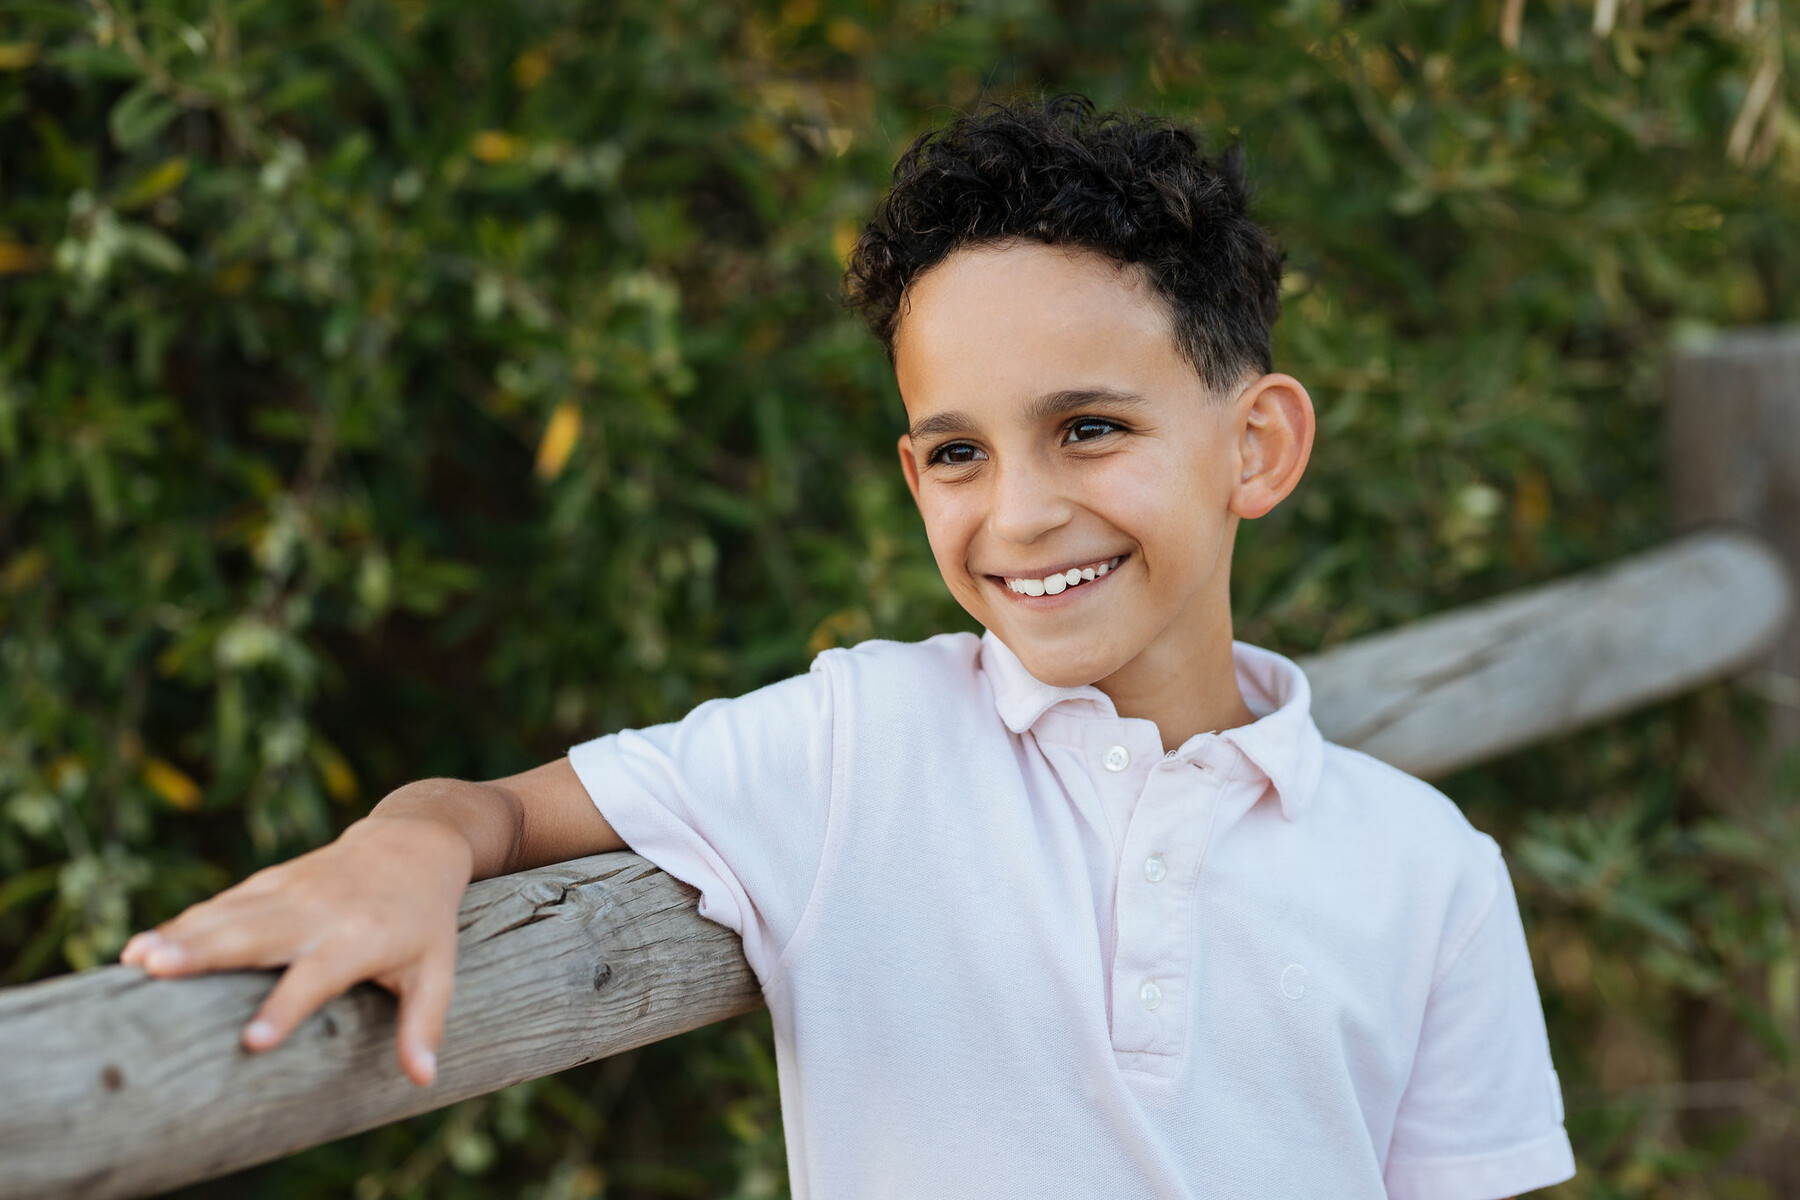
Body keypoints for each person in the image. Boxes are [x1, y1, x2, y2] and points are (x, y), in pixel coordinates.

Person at [120, 96, 1575, 1199]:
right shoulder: (853, 746)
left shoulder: (1428, 871)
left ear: (1256, 446)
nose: (1018, 513)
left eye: (1088, 429)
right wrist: (400, 851)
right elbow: (493, 811)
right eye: (958, 453)